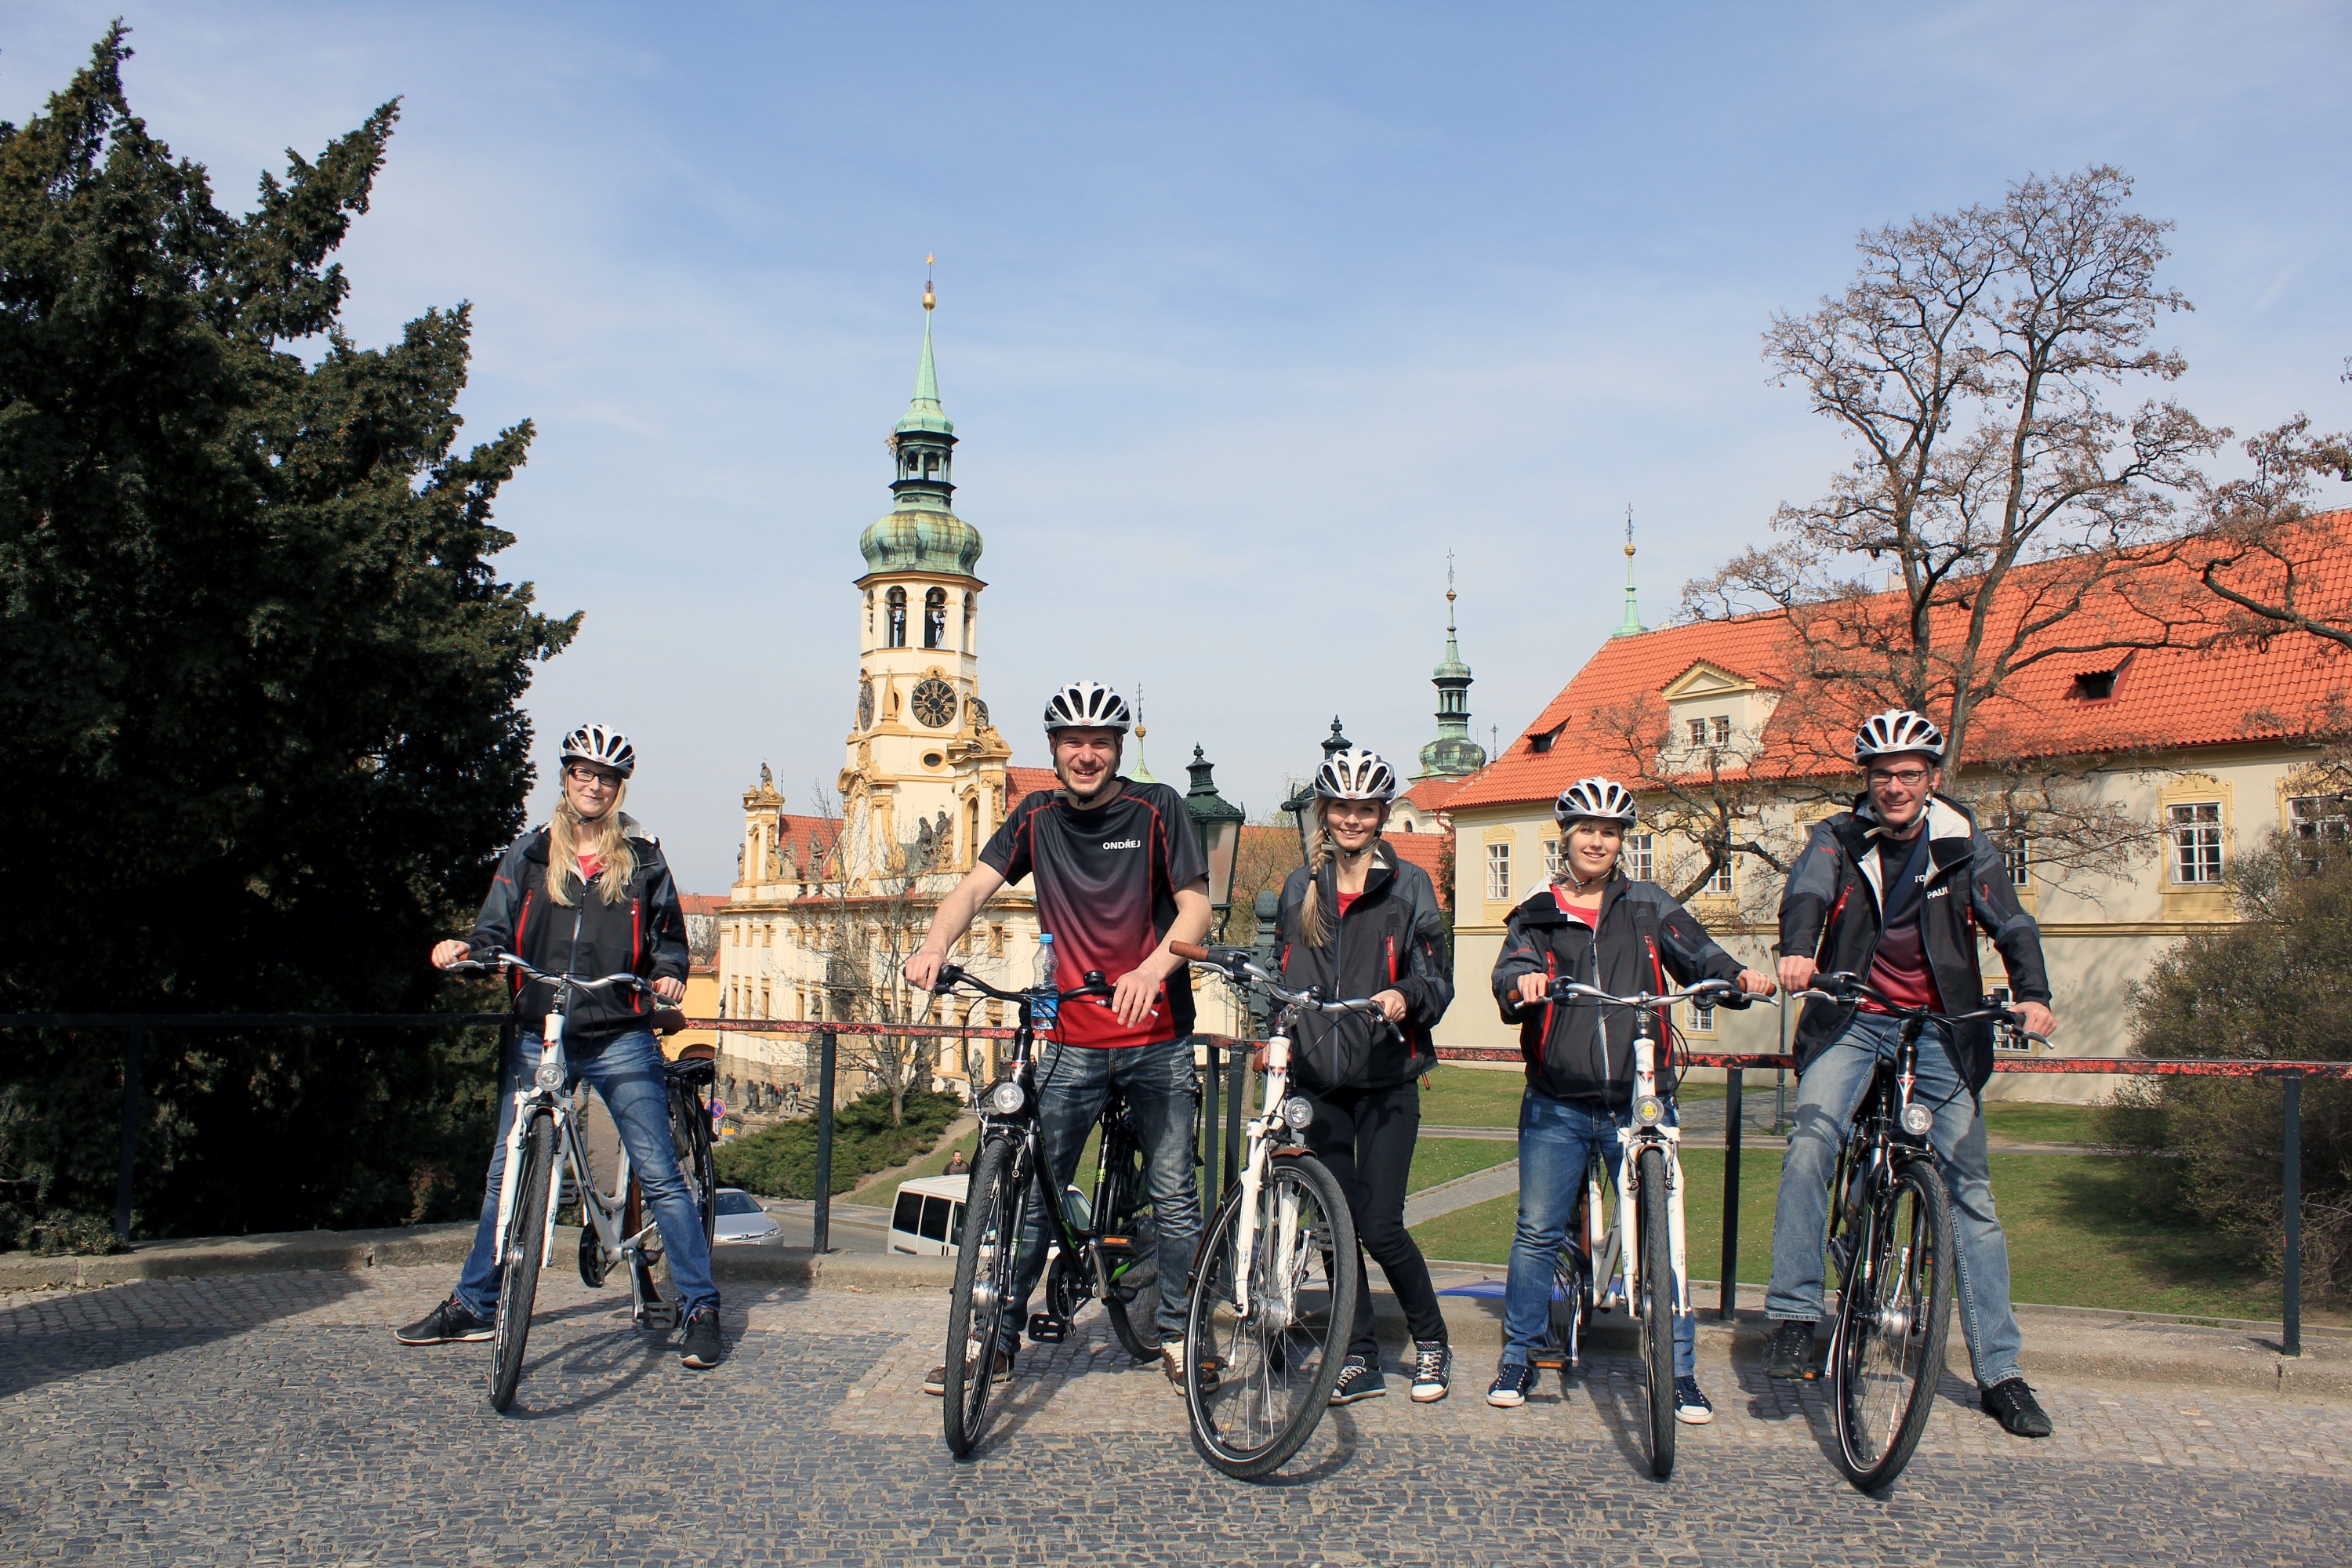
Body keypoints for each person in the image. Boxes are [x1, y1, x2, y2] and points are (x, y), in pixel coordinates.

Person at [905, 681, 1213, 1390]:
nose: (1085, 755)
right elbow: (971, 889)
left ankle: (1177, 1334)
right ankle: (995, 1337)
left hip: (1155, 1034)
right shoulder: (1036, 815)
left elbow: (1195, 909)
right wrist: (933, 945)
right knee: (1034, 1194)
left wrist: (1153, 967)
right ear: (1053, 750)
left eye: (1099, 742)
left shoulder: (1158, 806)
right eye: (1072, 742)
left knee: (1173, 1195)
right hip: (1072, 1040)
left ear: (1118, 747)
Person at [1763, 710, 2059, 1439]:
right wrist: (1800, 951)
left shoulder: (1962, 845)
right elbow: (1805, 893)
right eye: (1882, 775)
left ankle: (2001, 1372)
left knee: (1971, 1194)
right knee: (1811, 1141)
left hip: (1941, 1028)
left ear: (1931, 779)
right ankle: (1797, 1313)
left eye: (1909, 774)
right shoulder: (1837, 838)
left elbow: (2012, 923)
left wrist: (2034, 995)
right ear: (1866, 781)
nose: (1895, 786)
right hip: (1854, 1014)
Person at [397, 723, 721, 1371]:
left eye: (606, 778)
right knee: (505, 1174)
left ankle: (699, 1308)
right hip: (538, 1029)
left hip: (617, 1033)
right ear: (567, 779)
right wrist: (466, 949)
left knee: (659, 1173)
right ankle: (475, 1304)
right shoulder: (530, 854)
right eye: (583, 774)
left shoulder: (645, 859)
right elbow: (494, 930)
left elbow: (670, 940)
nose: (594, 785)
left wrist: (668, 972)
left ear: (618, 788)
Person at [1487, 777, 1774, 1419]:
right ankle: (1519, 1355)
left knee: (1659, 1231)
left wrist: (1733, 978)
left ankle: (1678, 1371)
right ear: (1567, 838)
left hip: (1639, 1097)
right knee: (1536, 1231)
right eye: (1587, 830)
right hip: (1558, 1100)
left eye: (1610, 832)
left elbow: (1699, 954)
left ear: (1621, 842)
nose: (1597, 840)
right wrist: (1525, 982)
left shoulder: (1647, 903)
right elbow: (1508, 972)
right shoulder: (1539, 907)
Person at [1273, 748, 1457, 1405]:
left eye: (1366, 809)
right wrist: (1277, 1032)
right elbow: (1284, 973)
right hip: (1319, 1078)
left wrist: (1408, 994)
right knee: (1332, 1223)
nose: (1352, 819)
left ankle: (1432, 1339)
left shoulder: (1409, 888)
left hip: (1386, 1074)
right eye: (1342, 808)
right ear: (1326, 813)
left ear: (1381, 816)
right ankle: (1359, 1355)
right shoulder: (1303, 886)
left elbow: (1439, 976)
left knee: (1379, 1224)